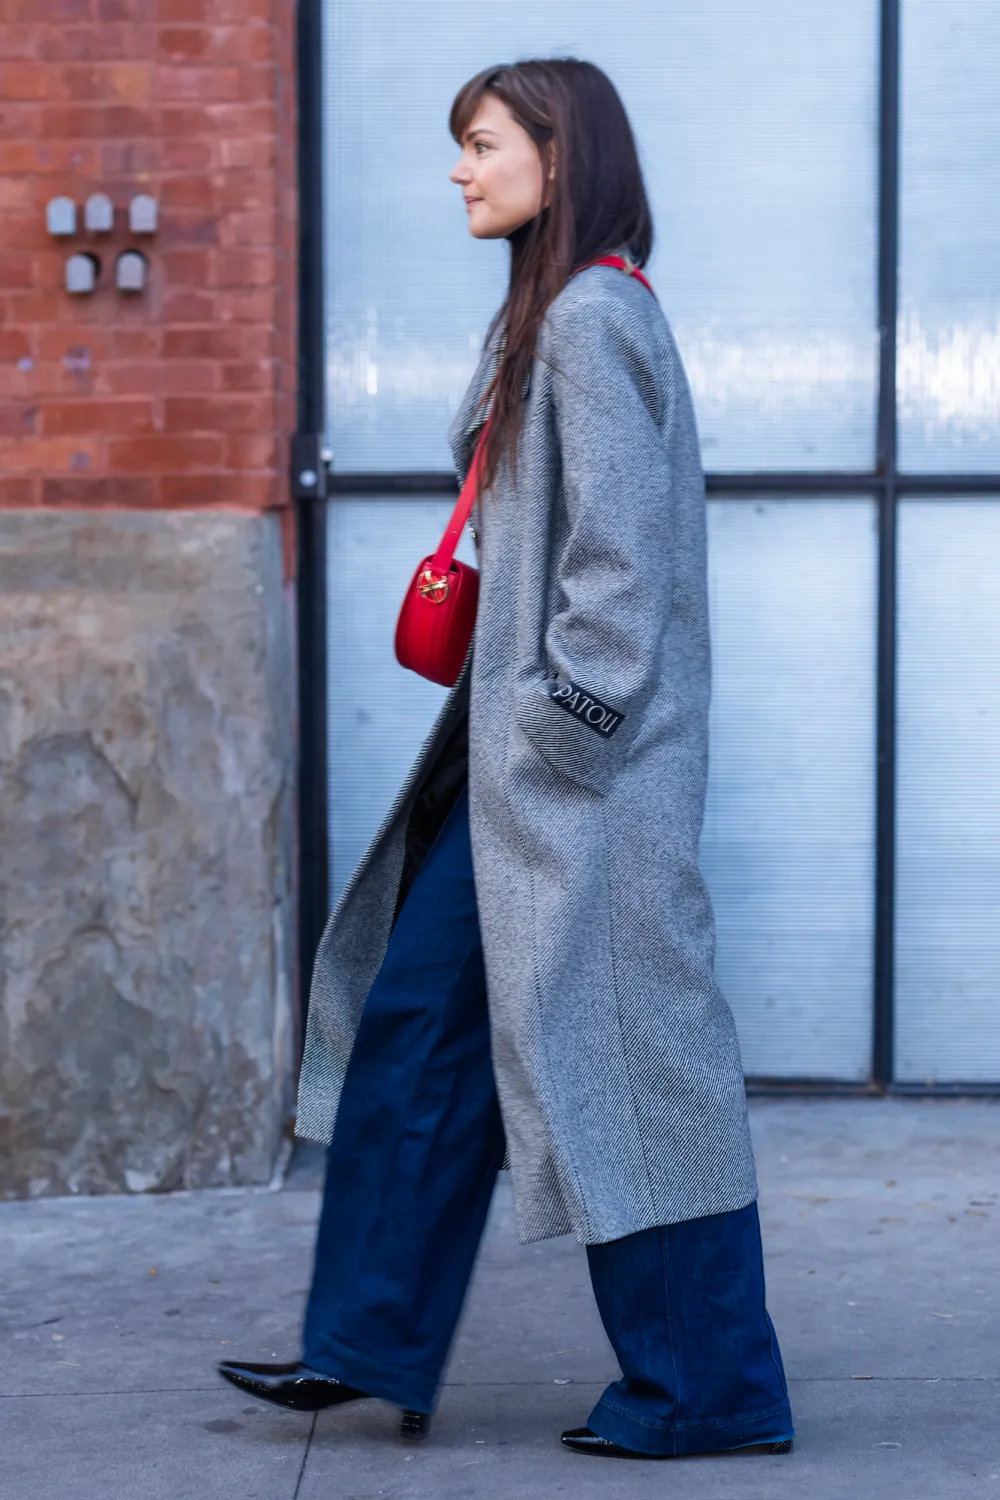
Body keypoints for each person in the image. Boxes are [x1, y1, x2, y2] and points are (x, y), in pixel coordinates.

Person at [219, 57, 794, 1461]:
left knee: (635, 1067)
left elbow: (618, 575)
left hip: (576, 789)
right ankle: (367, 1342)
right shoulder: (558, 313)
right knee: (420, 1029)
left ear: (559, 152)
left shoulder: (593, 318)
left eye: (482, 144)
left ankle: (710, 1388)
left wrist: (554, 735)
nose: (460, 170)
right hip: (519, 788)